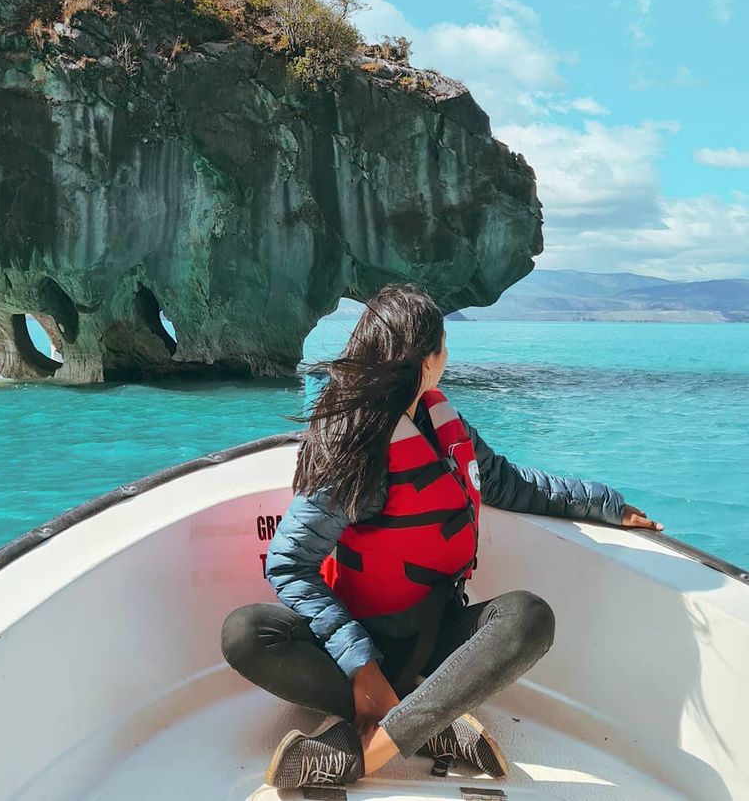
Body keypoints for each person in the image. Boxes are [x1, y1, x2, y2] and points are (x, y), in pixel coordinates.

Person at [220, 282, 664, 790]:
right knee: (246, 634)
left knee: (528, 618)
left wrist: (605, 504)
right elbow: (288, 562)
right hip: (354, 648)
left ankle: (365, 754)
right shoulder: (354, 445)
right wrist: (361, 665)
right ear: (426, 361)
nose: (447, 357)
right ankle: (428, 722)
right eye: (444, 346)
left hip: (437, 640)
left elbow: (506, 483)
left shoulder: (440, 421)